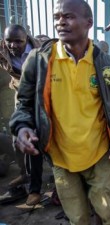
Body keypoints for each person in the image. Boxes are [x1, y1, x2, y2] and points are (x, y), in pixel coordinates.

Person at [9, 0, 110, 224]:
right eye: (57, 17)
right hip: (61, 158)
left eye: (68, 16)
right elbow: (24, 104)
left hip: (100, 155)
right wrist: (22, 128)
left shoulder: (107, 64)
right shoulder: (39, 61)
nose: (61, 22)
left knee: (108, 214)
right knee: (77, 218)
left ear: (88, 23)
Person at [0, 24, 42, 206]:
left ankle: (35, 189)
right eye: (9, 41)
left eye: (19, 41)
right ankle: (24, 174)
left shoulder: (41, 50)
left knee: (35, 141)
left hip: (41, 96)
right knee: (17, 139)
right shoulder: (2, 51)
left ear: (26, 39)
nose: (13, 45)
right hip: (20, 94)